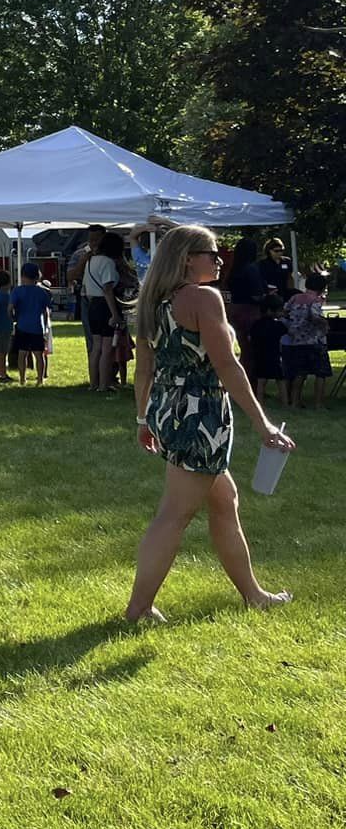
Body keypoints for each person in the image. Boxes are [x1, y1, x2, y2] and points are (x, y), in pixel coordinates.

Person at [126, 223, 294, 622]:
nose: (220, 259)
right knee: (174, 514)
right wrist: (264, 423)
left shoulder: (155, 300)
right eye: (212, 252)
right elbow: (227, 365)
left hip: (170, 409)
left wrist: (144, 418)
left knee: (225, 502)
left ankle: (253, 594)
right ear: (187, 259)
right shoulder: (204, 298)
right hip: (200, 413)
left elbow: (144, 369)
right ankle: (139, 608)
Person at [282, 269, 332, 410]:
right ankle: (319, 403)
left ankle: (295, 401)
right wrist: (325, 324)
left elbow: (285, 311)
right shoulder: (316, 300)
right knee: (320, 373)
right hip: (315, 341)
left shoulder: (295, 298)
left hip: (297, 341)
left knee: (300, 373)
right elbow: (315, 316)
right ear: (322, 288)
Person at [84, 231, 127, 392]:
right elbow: (107, 289)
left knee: (96, 347)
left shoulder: (90, 261)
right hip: (106, 305)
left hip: (93, 305)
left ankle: (93, 383)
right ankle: (104, 385)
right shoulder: (108, 262)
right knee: (107, 348)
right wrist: (115, 314)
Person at [225, 236, 266, 360]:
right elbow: (256, 294)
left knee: (243, 345)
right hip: (249, 310)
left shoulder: (233, 269)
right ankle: (251, 375)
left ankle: (245, 371)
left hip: (234, 307)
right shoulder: (252, 268)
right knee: (253, 347)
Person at [11, 263, 52, 385]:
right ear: (37, 277)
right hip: (37, 327)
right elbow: (46, 311)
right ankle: (40, 379)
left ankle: (22, 379)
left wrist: (13, 317)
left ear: (22, 276)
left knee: (22, 354)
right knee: (39, 355)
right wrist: (45, 326)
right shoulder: (42, 292)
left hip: (22, 325)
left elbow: (10, 308)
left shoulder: (17, 291)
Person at [247, 294, 287, 405]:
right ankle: (285, 402)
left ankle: (259, 402)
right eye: (279, 310)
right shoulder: (278, 325)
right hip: (274, 356)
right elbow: (287, 332)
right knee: (281, 380)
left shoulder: (256, 324)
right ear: (271, 310)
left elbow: (250, 337)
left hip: (259, 355)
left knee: (261, 380)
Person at [258, 236, 295, 301]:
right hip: (270, 293)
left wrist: (291, 291)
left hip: (285, 292)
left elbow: (290, 277)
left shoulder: (287, 261)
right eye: (276, 251)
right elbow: (261, 280)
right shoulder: (263, 263)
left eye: (281, 250)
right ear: (269, 251)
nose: (279, 253)